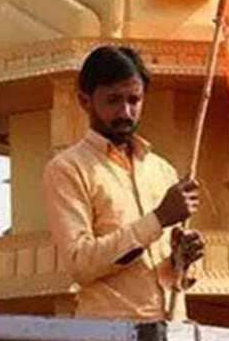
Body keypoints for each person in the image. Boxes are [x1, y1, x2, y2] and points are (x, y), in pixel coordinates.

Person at [42, 46, 205, 321]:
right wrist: (158, 219)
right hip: (111, 334)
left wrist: (184, 259)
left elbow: (172, 276)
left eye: (134, 100)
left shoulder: (161, 170)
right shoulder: (68, 169)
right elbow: (80, 263)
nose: (125, 112)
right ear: (85, 101)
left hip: (172, 331)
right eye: (113, 100)